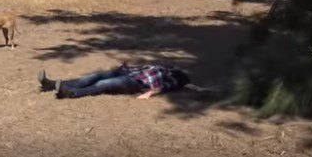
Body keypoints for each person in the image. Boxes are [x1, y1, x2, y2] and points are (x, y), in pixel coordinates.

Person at [38, 62, 208, 99]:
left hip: (135, 84)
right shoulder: (162, 67)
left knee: (102, 85)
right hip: (127, 73)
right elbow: (139, 68)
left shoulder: (174, 79)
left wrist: (148, 94)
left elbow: (160, 88)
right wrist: (124, 67)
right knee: (94, 76)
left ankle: (71, 93)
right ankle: (51, 84)